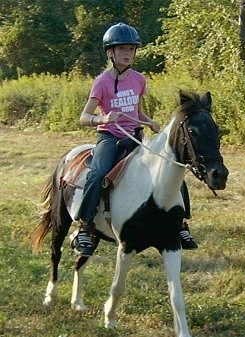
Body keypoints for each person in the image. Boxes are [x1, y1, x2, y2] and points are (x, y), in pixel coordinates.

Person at [72, 22, 198, 257]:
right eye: (122, 49)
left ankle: (180, 224)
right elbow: (83, 117)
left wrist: (148, 121)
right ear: (110, 52)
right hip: (110, 137)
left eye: (131, 49)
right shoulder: (102, 82)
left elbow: (136, 112)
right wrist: (105, 119)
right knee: (98, 174)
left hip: (137, 137)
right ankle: (85, 227)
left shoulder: (139, 79)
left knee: (172, 168)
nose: (127, 54)